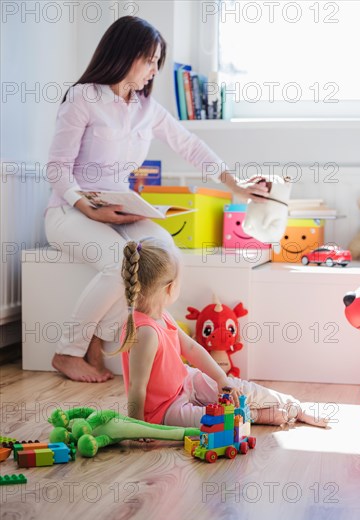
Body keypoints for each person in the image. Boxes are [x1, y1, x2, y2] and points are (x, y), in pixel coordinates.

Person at [44, 15, 270, 384]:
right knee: (119, 262)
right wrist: (88, 209)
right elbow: (56, 167)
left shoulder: (146, 109)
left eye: (157, 62)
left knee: (164, 253)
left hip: (120, 207)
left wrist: (237, 184)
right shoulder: (85, 97)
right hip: (70, 209)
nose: (154, 70)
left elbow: (191, 145)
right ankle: (67, 351)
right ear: (125, 54)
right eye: (150, 60)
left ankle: (115, 341)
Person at [119, 239, 329, 429]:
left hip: (185, 382)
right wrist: (137, 428)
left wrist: (221, 378)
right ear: (170, 287)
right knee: (211, 420)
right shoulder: (145, 333)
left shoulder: (162, 315)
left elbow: (191, 348)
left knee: (236, 388)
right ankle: (257, 415)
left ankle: (294, 406)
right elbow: (137, 387)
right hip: (164, 410)